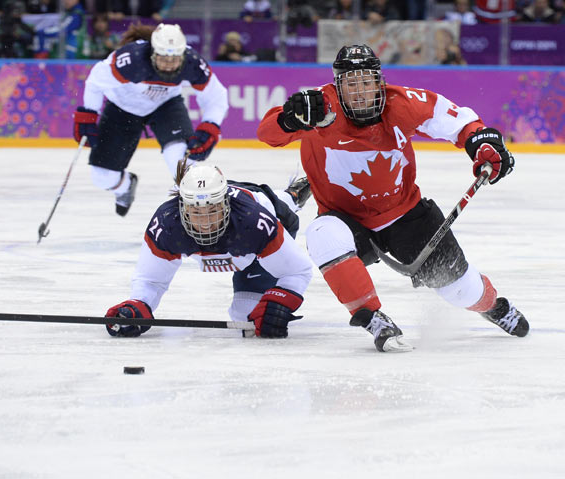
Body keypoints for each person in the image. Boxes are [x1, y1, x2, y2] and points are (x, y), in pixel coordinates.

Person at [257, 44, 529, 352]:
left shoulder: (403, 103)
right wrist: (290, 120)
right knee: (322, 234)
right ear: (337, 86)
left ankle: (492, 306)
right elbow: (267, 134)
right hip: (347, 220)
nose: (360, 92)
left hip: (407, 217)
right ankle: (372, 319)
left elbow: (460, 123)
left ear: (379, 82)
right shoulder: (319, 108)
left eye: (367, 82)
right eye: (351, 84)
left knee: (461, 291)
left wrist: (482, 144)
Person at [104, 161, 314, 338]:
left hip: (266, 221)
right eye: (196, 211)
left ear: (225, 204)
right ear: (182, 206)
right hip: (242, 241)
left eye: (212, 210)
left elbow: (298, 270)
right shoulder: (167, 223)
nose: (205, 223)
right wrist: (138, 304)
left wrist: (280, 300)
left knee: (247, 318)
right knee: (248, 320)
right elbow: (151, 280)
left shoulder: (254, 221)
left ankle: (291, 196)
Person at [73, 23, 229, 217]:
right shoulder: (131, 60)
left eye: (175, 59)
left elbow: (216, 96)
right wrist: (88, 114)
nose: (169, 64)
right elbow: (96, 80)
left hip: (165, 105)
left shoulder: (193, 63)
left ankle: (196, 216)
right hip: (122, 108)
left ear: (183, 55)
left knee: (181, 161)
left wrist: (210, 127)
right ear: (153, 53)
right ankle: (124, 186)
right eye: (164, 58)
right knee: (102, 177)